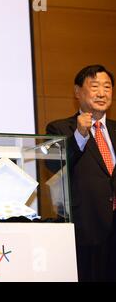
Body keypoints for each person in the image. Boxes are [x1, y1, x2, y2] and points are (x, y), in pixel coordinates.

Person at [46, 64, 116, 282]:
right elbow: (53, 165)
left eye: (107, 87)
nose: (102, 93)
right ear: (77, 92)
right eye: (94, 86)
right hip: (86, 229)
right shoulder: (59, 129)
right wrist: (80, 135)